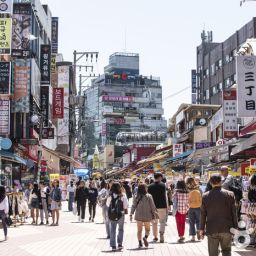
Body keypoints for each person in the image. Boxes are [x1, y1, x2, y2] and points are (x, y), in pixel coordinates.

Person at [199, 174, 238, 256]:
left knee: (213, 253)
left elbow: (203, 214)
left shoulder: (205, 196)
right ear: (221, 182)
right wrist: (235, 228)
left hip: (212, 228)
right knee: (227, 251)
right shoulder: (230, 194)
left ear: (210, 182)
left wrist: (201, 229)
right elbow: (234, 213)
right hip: (227, 228)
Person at [130, 183, 158, 248]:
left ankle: (140, 243)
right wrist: (155, 215)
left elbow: (133, 205)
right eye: (146, 187)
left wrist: (131, 214)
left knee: (139, 230)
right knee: (147, 229)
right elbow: (152, 206)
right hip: (147, 215)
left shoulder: (136, 195)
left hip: (138, 215)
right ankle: (145, 237)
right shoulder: (149, 196)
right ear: (145, 188)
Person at [107, 182, 128, 251]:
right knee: (121, 229)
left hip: (112, 214)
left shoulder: (110, 195)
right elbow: (126, 205)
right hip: (121, 214)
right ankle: (120, 244)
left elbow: (107, 204)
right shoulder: (123, 195)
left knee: (113, 229)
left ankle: (113, 245)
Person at [148, 172, 168, 243]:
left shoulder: (149, 186)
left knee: (154, 222)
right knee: (162, 221)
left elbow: (149, 198)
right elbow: (165, 197)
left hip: (153, 207)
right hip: (162, 206)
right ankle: (161, 233)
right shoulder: (163, 185)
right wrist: (167, 206)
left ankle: (155, 237)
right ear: (159, 177)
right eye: (161, 177)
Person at [186, 177, 202, 242]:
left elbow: (186, 197)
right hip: (198, 206)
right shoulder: (198, 187)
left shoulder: (187, 188)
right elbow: (202, 196)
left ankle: (193, 237)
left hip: (191, 207)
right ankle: (198, 231)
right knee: (198, 221)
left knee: (191, 222)